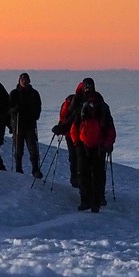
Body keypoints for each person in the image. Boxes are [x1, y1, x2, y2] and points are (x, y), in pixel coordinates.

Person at [64, 78, 115, 212]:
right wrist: (77, 143)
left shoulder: (102, 111)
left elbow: (111, 131)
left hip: (98, 148)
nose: (92, 104)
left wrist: (105, 145)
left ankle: (95, 201)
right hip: (85, 146)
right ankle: (86, 200)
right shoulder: (82, 110)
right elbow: (74, 128)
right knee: (84, 174)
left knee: (96, 175)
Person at [52, 81, 87, 187]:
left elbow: (63, 116)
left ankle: (76, 178)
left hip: (72, 133)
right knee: (78, 156)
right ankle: (78, 178)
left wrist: (61, 126)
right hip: (76, 133)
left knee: (74, 156)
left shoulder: (72, 100)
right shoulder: (78, 101)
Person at [9, 72, 43, 178]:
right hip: (18, 123)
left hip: (30, 124)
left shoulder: (34, 93)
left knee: (33, 148)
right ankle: (18, 168)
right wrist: (15, 110)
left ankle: (35, 169)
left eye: (26, 79)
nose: (24, 81)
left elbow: (38, 106)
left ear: (29, 81)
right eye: (22, 79)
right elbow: (8, 108)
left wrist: (35, 115)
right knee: (18, 148)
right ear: (19, 81)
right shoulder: (14, 93)